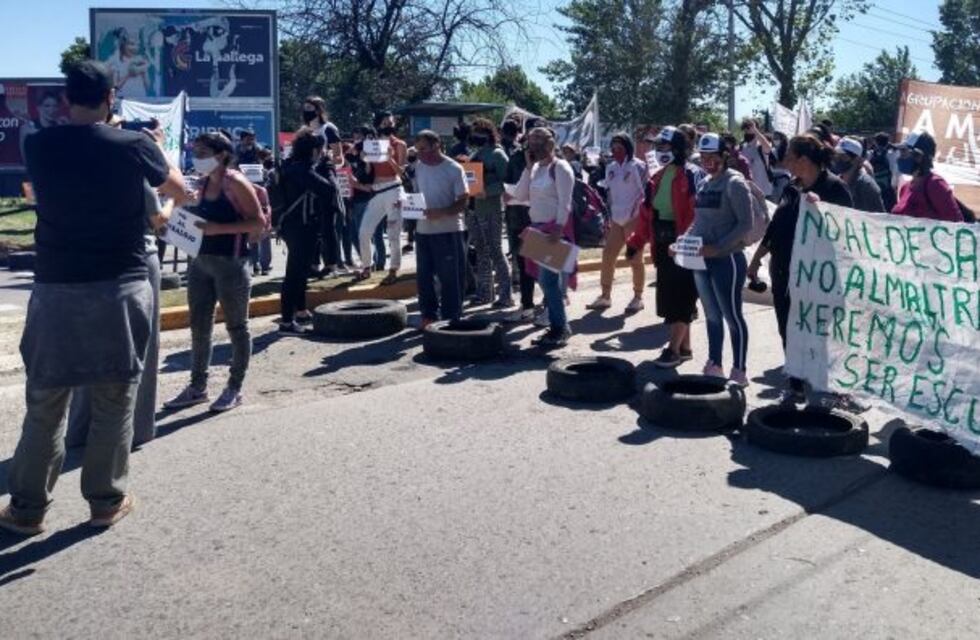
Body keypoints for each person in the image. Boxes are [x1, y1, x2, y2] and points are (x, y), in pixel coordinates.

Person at [0, 61, 185, 536]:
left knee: (46, 399)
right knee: (115, 396)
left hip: (56, 286)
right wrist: (156, 149)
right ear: (110, 97)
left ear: (66, 100)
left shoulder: (37, 145)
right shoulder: (134, 146)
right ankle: (105, 500)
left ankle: (26, 509)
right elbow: (178, 191)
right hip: (119, 286)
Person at [748, 133, 853, 403]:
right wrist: (757, 257)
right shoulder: (792, 188)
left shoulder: (834, 189)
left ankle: (827, 387)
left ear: (804, 160)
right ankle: (795, 383)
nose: (785, 164)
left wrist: (823, 213)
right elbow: (776, 226)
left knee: (818, 332)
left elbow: (846, 232)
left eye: (790, 158)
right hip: (784, 272)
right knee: (789, 328)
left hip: (818, 276)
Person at [163, 132, 264, 413]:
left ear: (222, 155)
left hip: (231, 264)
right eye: (195, 151)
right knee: (199, 326)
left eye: (203, 152)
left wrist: (218, 229)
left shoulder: (236, 183)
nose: (197, 157)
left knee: (237, 327)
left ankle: (234, 388)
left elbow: (258, 222)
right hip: (199, 263)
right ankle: (198, 387)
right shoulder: (202, 182)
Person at [626, 126, 704, 368]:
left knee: (682, 296)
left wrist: (687, 242)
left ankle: (672, 350)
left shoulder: (693, 175)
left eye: (664, 146)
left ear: (679, 148)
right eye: (657, 146)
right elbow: (647, 213)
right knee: (673, 296)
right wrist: (636, 241)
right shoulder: (657, 177)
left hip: (686, 243)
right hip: (662, 244)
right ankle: (685, 346)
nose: (659, 150)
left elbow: (698, 213)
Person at [684, 133, 754, 387]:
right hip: (702, 261)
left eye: (712, 156)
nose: (707, 161)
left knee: (732, 315)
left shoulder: (735, 183)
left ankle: (740, 369)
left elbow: (746, 223)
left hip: (728, 260)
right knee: (711, 315)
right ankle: (715, 363)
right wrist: (683, 240)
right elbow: (699, 220)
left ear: (725, 156)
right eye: (703, 157)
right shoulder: (704, 183)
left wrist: (719, 247)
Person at [509, 127, 575, 348]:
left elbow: (565, 202)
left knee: (548, 282)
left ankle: (560, 328)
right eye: (531, 139)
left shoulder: (561, 168)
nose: (533, 143)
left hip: (554, 231)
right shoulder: (536, 168)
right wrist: (528, 168)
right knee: (547, 282)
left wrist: (558, 228)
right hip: (537, 230)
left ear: (550, 143)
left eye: (539, 139)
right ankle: (559, 325)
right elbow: (519, 195)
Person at [274, 128, 342, 334]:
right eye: (321, 149)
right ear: (314, 150)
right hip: (300, 226)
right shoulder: (303, 169)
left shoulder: (289, 165)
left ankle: (301, 310)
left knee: (301, 269)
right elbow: (330, 190)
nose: (322, 153)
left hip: (291, 225)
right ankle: (286, 321)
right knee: (294, 273)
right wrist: (329, 168)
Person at [411, 130, 470, 326]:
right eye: (417, 149)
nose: (420, 154)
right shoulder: (418, 167)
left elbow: (463, 202)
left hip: (449, 231)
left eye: (424, 149)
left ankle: (451, 319)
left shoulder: (453, 168)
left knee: (450, 279)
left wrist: (441, 212)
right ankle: (428, 316)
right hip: (423, 231)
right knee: (424, 278)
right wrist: (405, 206)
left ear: (437, 145)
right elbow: (417, 196)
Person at [587, 133, 646, 314]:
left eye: (619, 147)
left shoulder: (639, 166)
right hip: (616, 219)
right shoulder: (611, 167)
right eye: (613, 148)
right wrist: (609, 217)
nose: (615, 151)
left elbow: (644, 193)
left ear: (627, 147)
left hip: (633, 219)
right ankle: (605, 295)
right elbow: (610, 193)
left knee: (634, 258)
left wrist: (635, 216)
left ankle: (638, 297)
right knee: (608, 254)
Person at [357, 111, 407, 284]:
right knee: (364, 231)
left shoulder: (399, 144)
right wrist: (366, 160)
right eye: (385, 123)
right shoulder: (372, 144)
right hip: (377, 191)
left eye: (390, 122)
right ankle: (365, 266)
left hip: (394, 189)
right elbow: (369, 172)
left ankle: (393, 269)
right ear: (378, 124)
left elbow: (402, 172)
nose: (388, 125)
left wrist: (390, 158)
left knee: (393, 233)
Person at [467, 118, 513, 307]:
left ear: (488, 134)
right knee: (481, 252)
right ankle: (485, 293)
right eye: (474, 132)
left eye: (479, 132)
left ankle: (506, 295)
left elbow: (509, 182)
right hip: (473, 209)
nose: (475, 136)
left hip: (491, 209)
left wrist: (488, 191)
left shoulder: (498, 155)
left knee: (496, 252)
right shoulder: (475, 154)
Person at [502, 120, 538, 323]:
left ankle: (553, 308)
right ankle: (527, 305)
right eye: (532, 134)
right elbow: (507, 184)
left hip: (543, 221)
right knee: (524, 263)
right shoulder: (515, 157)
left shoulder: (551, 161)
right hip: (518, 218)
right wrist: (506, 196)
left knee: (545, 265)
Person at [891, 130, 963, 223]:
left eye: (903, 152)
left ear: (919, 156)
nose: (899, 157)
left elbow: (957, 224)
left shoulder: (935, 185)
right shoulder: (905, 187)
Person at [347, 126, 386, 271]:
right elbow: (345, 166)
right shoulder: (353, 156)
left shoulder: (375, 157)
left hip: (370, 197)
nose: (356, 139)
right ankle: (367, 261)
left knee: (375, 234)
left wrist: (367, 161)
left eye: (359, 135)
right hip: (357, 199)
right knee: (358, 234)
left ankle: (378, 263)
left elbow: (371, 177)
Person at [832, 137, 885, 213]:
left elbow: (878, 217)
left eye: (843, 156)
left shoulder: (867, 186)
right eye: (836, 155)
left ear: (857, 159)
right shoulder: (835, 182)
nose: (838, 159)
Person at [740, 118, 774, 197]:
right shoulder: (742, 147)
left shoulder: (761, 145)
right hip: (747, 192)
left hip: (764, 191)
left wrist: (755, 130)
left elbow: (768, 148)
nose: (747, 131)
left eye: (749, 128)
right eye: (745, 128)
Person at [868, 132, 899, 212]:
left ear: (875, 142)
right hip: (888, 188)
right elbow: (894, 170)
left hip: (873, 185)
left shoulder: (870, 154)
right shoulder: (892, 154)